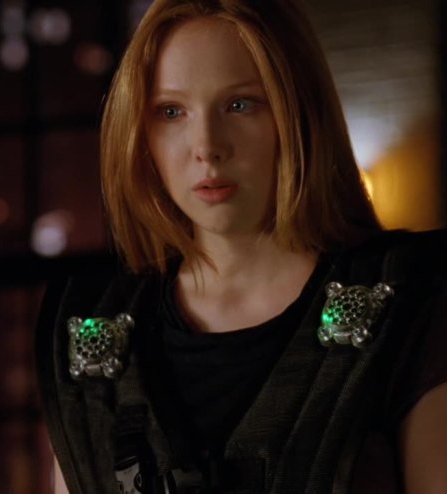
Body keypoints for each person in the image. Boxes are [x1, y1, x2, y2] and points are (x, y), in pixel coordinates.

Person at [35, 0, 447, 492]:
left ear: (296, 112)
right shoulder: (90, 335)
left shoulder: (413, 304)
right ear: (141, 134)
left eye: (240, 104)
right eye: (171, 112)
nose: (207, 146)